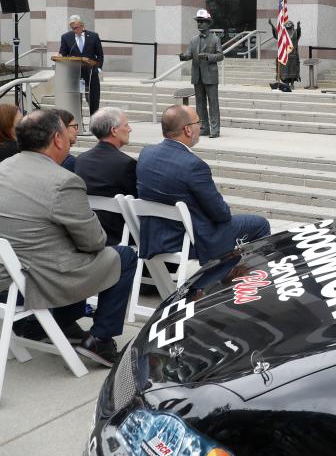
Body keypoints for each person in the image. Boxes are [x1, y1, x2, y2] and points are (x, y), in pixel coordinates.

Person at [0, 109, 137, 367]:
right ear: (57, 139)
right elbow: (94, 242)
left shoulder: (4, 167)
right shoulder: (63, 181)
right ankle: (101, 339)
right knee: (123, 256)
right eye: (67, 132)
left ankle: (62, 322)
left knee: (71, 249)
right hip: (39, 278)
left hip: (8, 274)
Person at [136, 105, 271, 267]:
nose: (200, 127)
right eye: (198, 122)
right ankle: (249, 282)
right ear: (187, 130)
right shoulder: (193, 165)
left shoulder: (146, 154)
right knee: (260, 225)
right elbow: (221, 214)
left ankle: (226, 276)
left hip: (154, 237)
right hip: (188, 239)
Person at [75, 107, 136, 246]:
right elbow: (136, 202)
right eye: (126, 125)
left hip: (92, 231)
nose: (130, 129)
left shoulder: (81, 160)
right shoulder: (126, 163)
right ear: (114, 130)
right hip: (121, 235)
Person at [179, 9, 224, 138]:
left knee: (213, 103)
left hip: (210, 76)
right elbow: (189, 54)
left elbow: (220, 56)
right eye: (198, 22)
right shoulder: (193, 40)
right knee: (200, 104)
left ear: (208, 23)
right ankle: (204, 128)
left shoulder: (215, 39)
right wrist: (183, 56)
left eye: (202, 22)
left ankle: (215, 130)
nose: (200, 24)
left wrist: (208, 56)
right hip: (197, 76)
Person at [57, 15, 104, 115]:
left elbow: (100, 54)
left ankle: (94, 124)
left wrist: (98, 69)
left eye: (76, 28)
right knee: (75, 103)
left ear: (82, 26)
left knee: (93, 100)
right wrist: (60, 55)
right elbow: (63, 53)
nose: (74, 30)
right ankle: (78, 125)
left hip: (91, 74)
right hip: (74, 74)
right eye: (72, 28)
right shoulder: (66, 37)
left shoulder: (93, 36)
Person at [268, 18, 301, 86]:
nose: (288, 24)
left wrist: (298, 26)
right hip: (284, 55)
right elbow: (276, 33)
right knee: (285, 70)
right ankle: (286, 83)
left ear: (292, 25)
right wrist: (271, 25)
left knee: (293, 70)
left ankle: (292, 83)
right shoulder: (283, 33)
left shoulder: (295, 32)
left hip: (293, 55)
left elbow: (299, 33)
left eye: (290, 23)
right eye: (287, 23)